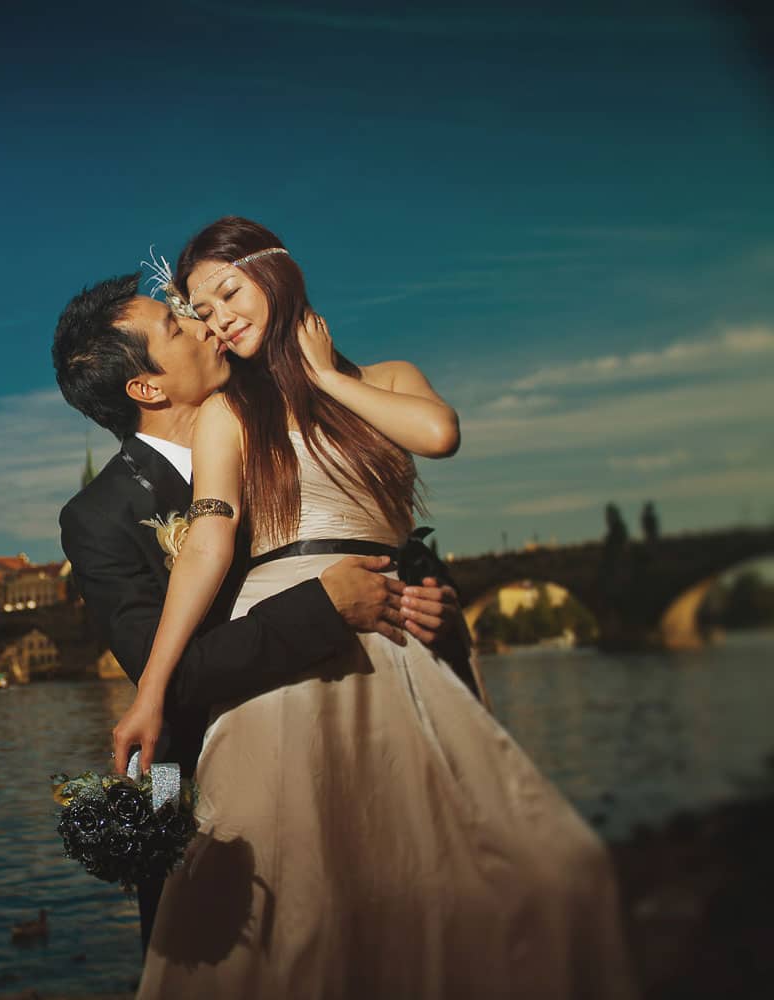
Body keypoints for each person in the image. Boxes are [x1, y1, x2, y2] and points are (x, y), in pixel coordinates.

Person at [120, 216, 636, 998]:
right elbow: (208, 541)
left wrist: (324, 377)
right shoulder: (227, 413)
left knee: (536, 865)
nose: (220, 317)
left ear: (277, 275)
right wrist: (151, 689)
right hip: (287, 649)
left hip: (394, 637)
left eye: (228, 291)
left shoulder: (387, 377)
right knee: (296, 901)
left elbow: (439, 433)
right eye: (201, 308)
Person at [52, 269, 472, 955]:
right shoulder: (99, 516)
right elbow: (174, 679)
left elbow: (372, 538)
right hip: (194, 779)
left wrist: (426, 595)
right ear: (147, 388)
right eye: (176, 325)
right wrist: (326, 606)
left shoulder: (285, 423)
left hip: (356, 719)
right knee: (215, 960)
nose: (202, 323)